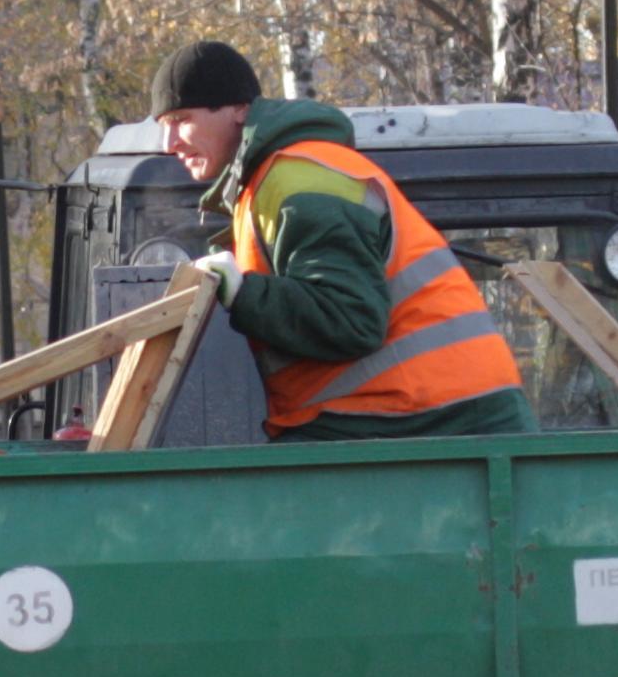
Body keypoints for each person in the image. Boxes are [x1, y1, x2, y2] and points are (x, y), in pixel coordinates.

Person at [149, 41, 540, 442]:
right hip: (410, 416)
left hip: (437, 420)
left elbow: (350, 319)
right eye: (163, 124)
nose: (168, 143)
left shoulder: (298, 179)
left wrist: (243, 292)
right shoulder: (268, 184)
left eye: (181, 119)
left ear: (239, 109)